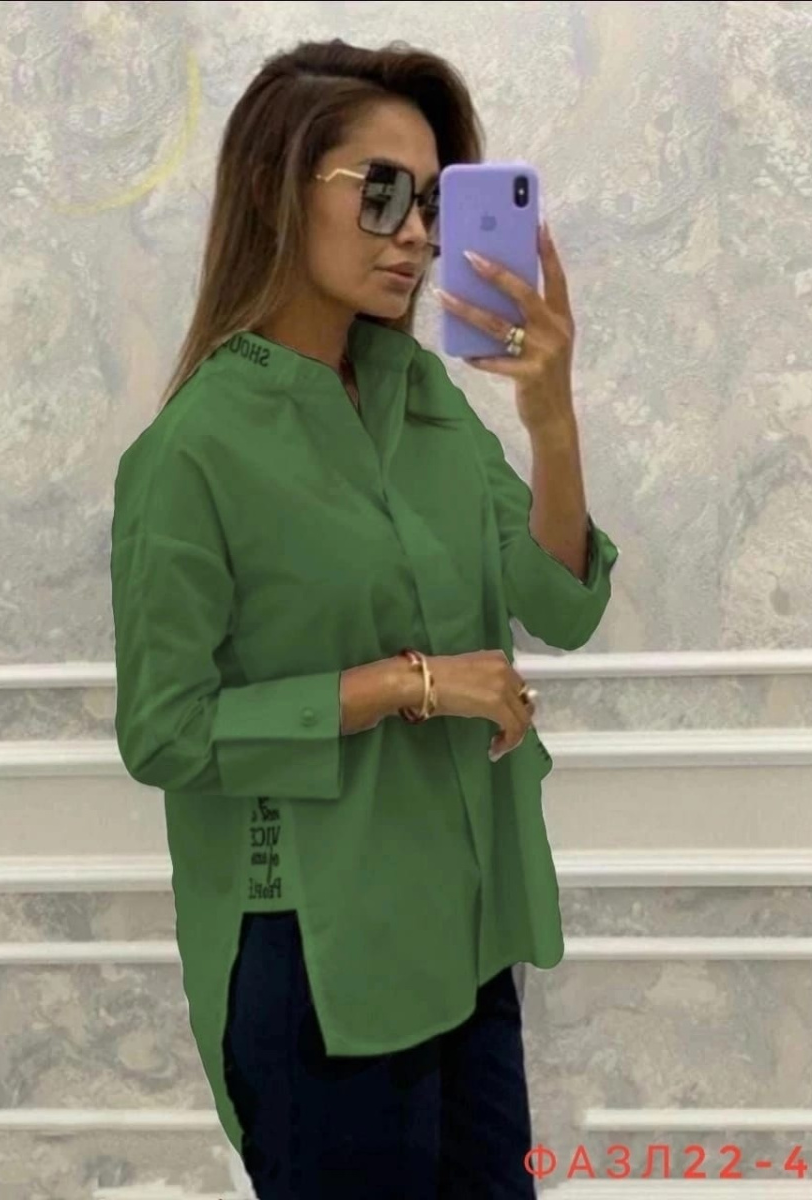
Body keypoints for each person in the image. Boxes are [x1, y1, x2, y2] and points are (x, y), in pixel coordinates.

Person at [110, 35, 619, 1200]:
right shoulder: (191, 453)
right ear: (272, 188)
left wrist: (549, 416)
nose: (416, 235)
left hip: (464, 928)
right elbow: (165, 732)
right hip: (318, 956)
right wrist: (408, 683)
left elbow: (558, 602)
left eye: (432, 203)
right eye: (381, 193)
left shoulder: (417, 395)